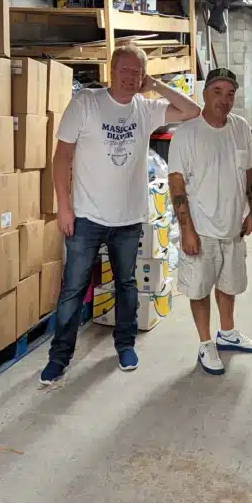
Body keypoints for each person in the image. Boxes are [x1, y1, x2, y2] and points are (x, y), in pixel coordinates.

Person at [40, 45, 200, 384]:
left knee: (126, 285)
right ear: (112, 70)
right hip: (86, 217)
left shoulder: (147, 108)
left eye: (137, 72)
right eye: (125, 70)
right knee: (73, 289)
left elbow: (192, 110)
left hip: (128, 219)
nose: (131, 78)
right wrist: (63, 206)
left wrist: (155, 83)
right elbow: (61, 157)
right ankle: (59, 357)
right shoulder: (86, 103)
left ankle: (125, 345)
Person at [168, 67, 252, 375]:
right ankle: (206, 342)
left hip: (233, 226)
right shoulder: (186, 133)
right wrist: (187, 230)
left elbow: (249, 170)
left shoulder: (240, 127)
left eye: (230, 93)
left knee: (229, 282)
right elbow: (177, 184)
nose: (225, 99)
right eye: (218, 92)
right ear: (205, 94)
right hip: (201, 228)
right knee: (199, 289)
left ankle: (227, 332)